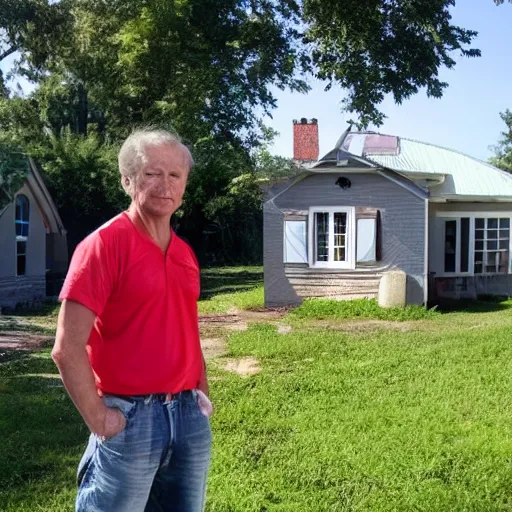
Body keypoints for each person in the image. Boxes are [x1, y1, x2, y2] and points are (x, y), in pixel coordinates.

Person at [52, 128, 212, 512]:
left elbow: (187, 330)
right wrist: (99, 419)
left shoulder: (185, 253)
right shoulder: (103, 246)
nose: (165, 185)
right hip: (130, 420)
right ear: (127, 180)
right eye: (151, 173)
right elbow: (66, 348)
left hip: (188, 418)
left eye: (175, 175)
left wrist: (202, 397)